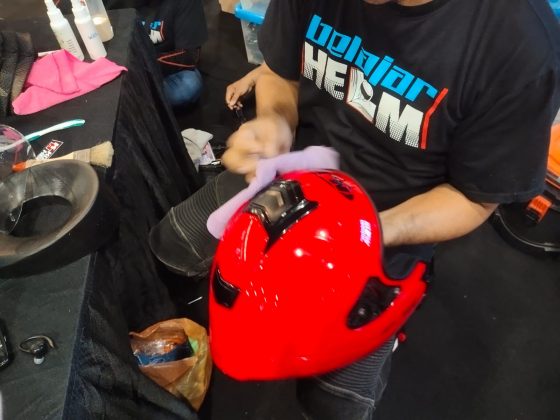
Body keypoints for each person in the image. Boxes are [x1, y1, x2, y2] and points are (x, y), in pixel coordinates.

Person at [217, 0, 560, 418]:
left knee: (335, 403)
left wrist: (368, 232)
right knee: (179, 249)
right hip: (293, 179)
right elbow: (279, 72)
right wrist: (275, 121)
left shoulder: (518, 42)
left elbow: (475, 196)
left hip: (390, 229)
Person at [138, 0, 208, 107]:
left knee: (189, 85)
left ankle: (135, 98)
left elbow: (189, 56)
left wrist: (145, 64)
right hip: (128, 62)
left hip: (163, 68)